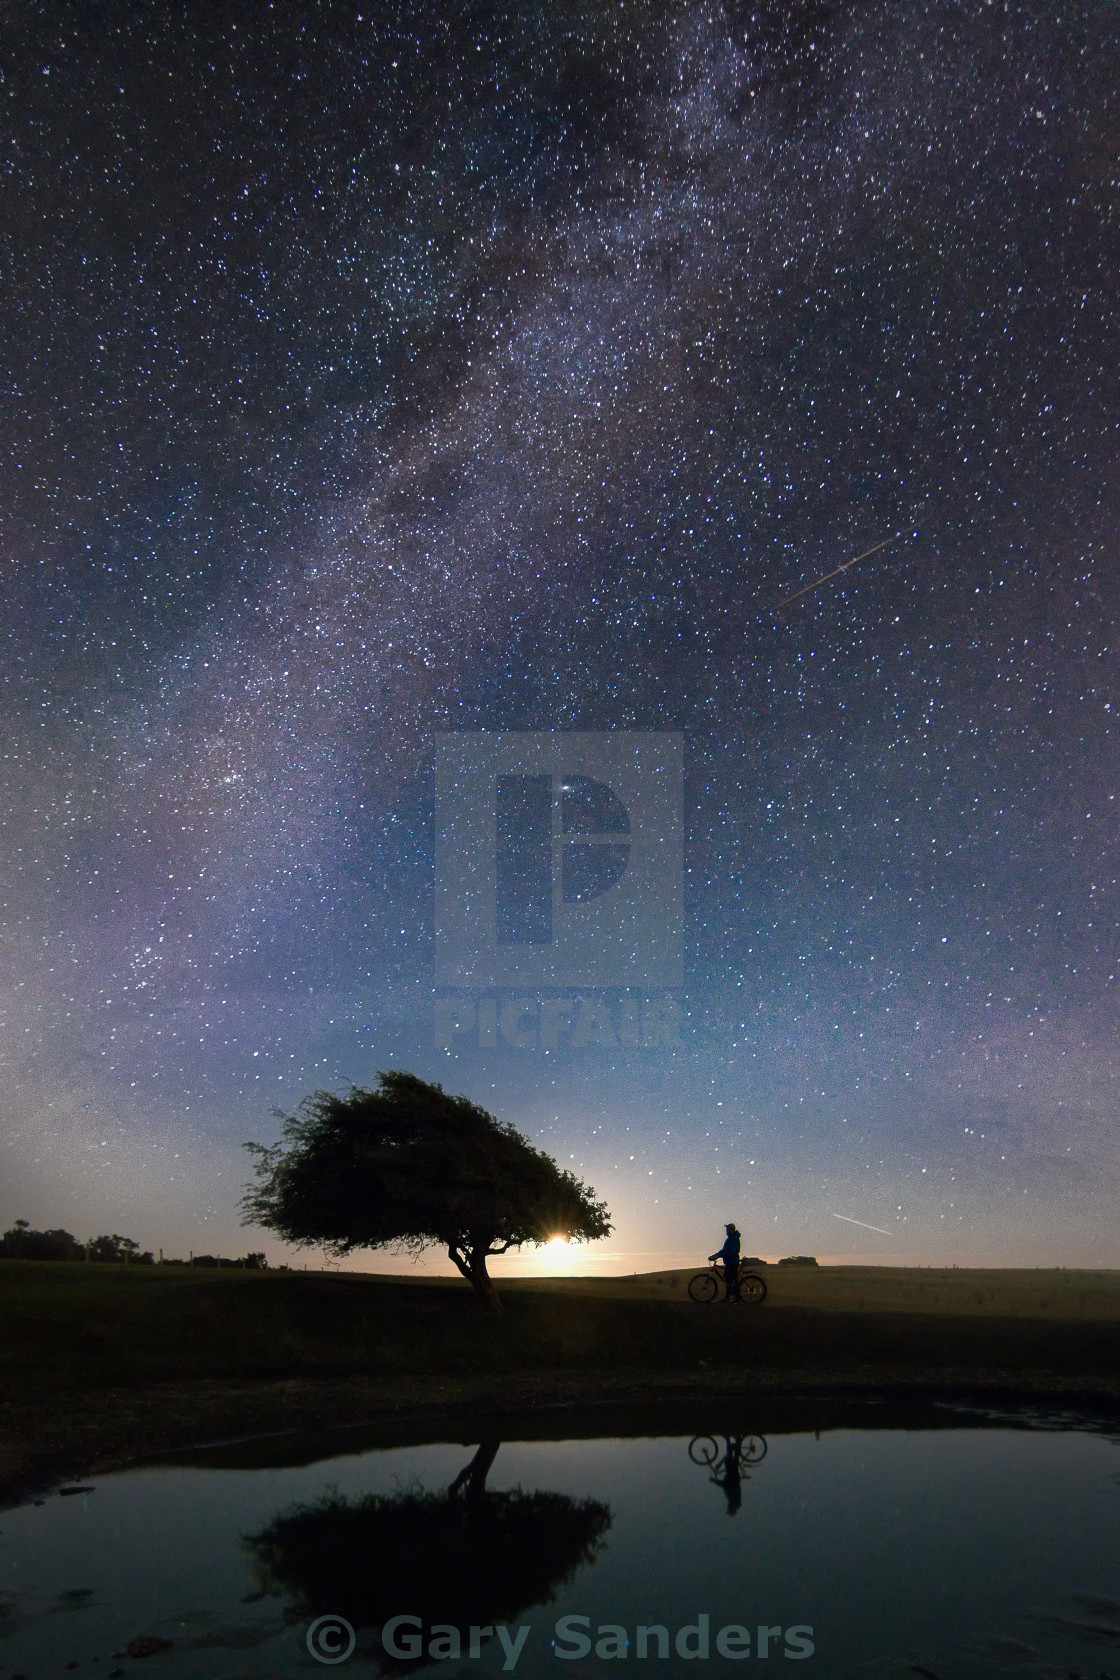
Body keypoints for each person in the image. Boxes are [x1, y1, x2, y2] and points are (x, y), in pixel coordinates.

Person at [709, 1222, 741, 1303]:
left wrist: (716, 1256)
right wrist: (717, 1255)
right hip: (731, 1261)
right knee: (729, 1279)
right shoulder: (732, 1238)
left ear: (731, 1230)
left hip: (732, 1261)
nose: (726, 1231)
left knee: (731, 1280)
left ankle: (735, 1299)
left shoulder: (733, 1239)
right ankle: (730, 1298)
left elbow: (728, 1251)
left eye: (727, 1229)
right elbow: (725, 1251)